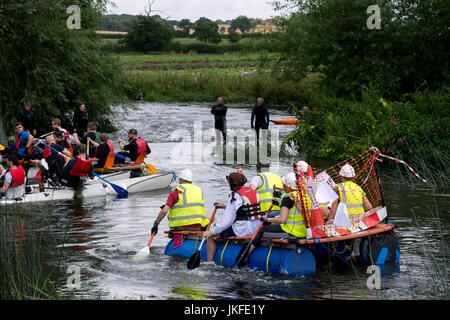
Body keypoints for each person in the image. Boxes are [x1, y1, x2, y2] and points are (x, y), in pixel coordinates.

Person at [248, 172, 310, 257]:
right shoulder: (305, 195)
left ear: (288, 186)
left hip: (292, 232)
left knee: (262, 229)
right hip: (305, 232)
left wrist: (267, 219)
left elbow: (282, 220)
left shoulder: (288, 198)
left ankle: (247, 254)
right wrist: (279, 203)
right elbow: (294, 208)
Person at [203, 172, 261, 263]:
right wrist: (224, 206)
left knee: (212, 235)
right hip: (256, 229)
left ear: (231, 183)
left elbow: (227, 221)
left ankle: (209, 262)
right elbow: (245, 209)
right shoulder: (254, 192)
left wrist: (211, 231)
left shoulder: (235, 196)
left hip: (242, 230)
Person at [150, 169, 209, 235]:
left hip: (179, 228)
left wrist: (156, 224)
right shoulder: (199, 190)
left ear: (179, 180)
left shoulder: (176, 192)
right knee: (210, 217)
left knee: (170, 214)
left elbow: (164, 211)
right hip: (197, 227)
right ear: (191, 181)